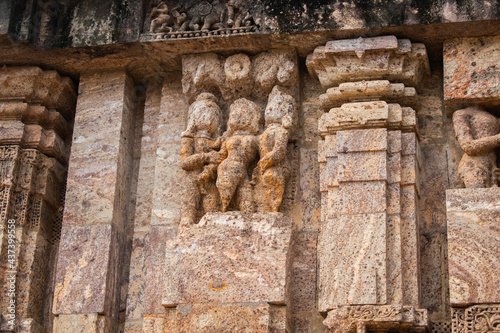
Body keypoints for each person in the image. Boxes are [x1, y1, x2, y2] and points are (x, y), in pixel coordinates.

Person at [180, 93, 223, 225]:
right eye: (204, 113)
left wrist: (211, 166)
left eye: (213, 115)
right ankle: (188, 220)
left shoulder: (216, 141)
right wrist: (206, 157)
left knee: (213, 212)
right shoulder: (189, 137)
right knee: (189, 207)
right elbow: (185, 162)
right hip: (192, 177)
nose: (209, 119)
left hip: (209, 177)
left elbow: (219, 158)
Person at [252, 85, 296, 212]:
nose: (271, 110)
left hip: (278, 167)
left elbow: (279, 152)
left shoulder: (281, 130)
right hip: (264, 168)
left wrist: (262, 164)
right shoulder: (263, 134)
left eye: (277, 107)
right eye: (269, 107)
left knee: (273, 176)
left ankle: (274, 208)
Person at [216, 98, 261, 212]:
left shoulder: (256, 139)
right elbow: (220, 155)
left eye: (246, 115)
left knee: (248, 207)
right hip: (227, 168)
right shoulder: (228, 139)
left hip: (243, 173)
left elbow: (264, 153)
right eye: (237, 115)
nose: (241, 119)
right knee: (225, 202)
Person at [453, 107, 500, 188]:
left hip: (493, 166)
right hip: (474, 166)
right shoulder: (461, 114)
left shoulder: (495, 118)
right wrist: (497, 139)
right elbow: (468, 146)